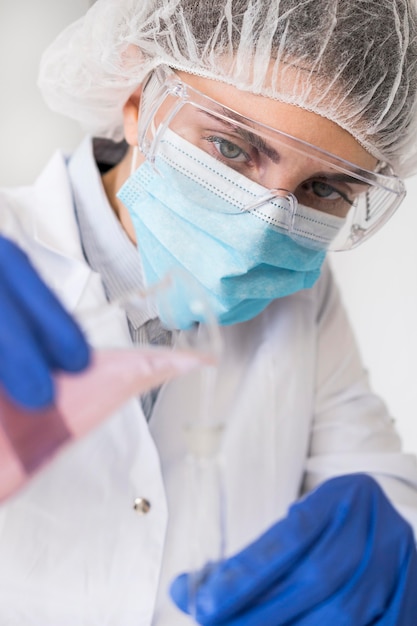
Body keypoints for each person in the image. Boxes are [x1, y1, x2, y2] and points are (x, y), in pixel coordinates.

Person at [1, 0, 417, 623]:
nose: (261, 231)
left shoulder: (303, 300)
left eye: (324, 189)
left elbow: (374, 492)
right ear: (139, 102)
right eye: (229, 147)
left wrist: (394, 552)